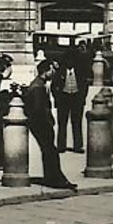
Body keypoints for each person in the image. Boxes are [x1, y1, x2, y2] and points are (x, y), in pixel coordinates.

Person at [23, 60, 77, 190]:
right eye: (51, 70)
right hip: (41, 124)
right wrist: (48, 122)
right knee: (50, 151)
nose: (53, 73)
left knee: (49, 151)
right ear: (45, 71)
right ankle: (56, 179)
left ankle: (54, 177)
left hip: (40, 123)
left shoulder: (39, 84)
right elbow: (38, 109)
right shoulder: (38, 87)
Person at [53, 48, 89, 153]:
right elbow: (54, 86)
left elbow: (84, 85)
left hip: (76, 99)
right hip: (63, 99)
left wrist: (82, 97)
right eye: (68, 60)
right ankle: (61, 146)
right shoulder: (60, 71)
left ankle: (78, 146)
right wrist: (57, 98)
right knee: (62, 123)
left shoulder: (80, 71)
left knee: (77, 123)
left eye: (72, 60)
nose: (70, 62)